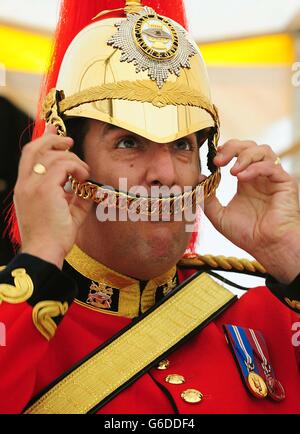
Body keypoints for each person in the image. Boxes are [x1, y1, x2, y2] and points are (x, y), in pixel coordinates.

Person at [0, 0, 300, 414]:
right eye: (128, 142)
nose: (166, 173)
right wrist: (39, 261)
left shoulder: (269, 319)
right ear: (70, 164)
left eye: (182, 145)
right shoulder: (16, 324)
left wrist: (290, 255)